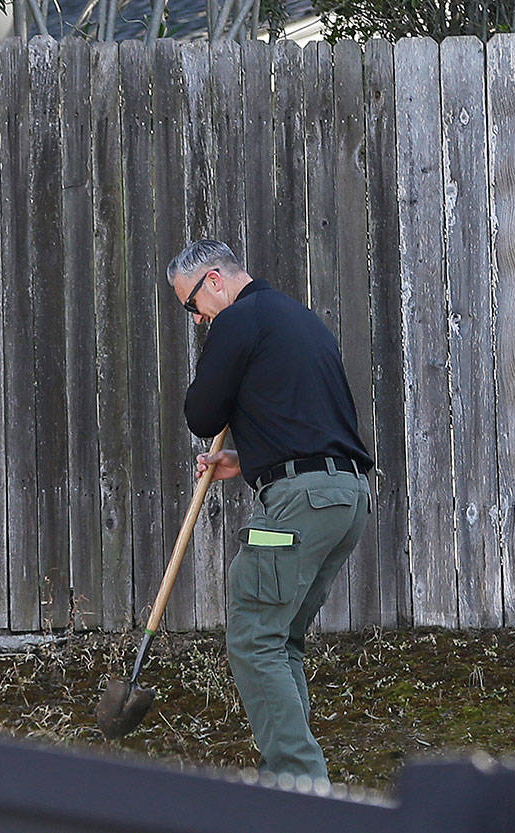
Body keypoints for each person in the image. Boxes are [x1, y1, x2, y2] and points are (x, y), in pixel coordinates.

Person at [167, 239, 373, 783]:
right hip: (344, 499)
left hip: (299, 504)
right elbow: (309, 416)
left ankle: (297, 784)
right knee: (281, 641)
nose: (195, 320)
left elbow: (201, 411)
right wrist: (251, 456)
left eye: (191, 305)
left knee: (255, 639)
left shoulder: (238, 320)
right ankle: (294, 781)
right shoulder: (297, 319)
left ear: (213, 280)